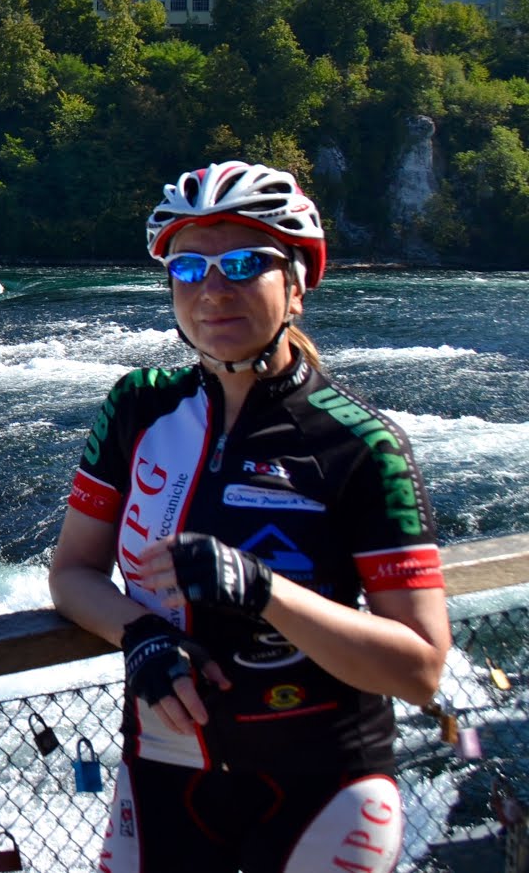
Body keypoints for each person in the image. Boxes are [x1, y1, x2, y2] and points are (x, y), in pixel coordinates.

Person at [48, 161, 450, 873]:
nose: (212, 290)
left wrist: (262, 588)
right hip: (165, 772)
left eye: (242, 263)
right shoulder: (137, 408)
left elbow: (418, 668)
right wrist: (137, 634)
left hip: (321, 789)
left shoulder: (360, 445)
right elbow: (74, 573)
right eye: (188, 267)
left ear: (296, 285)